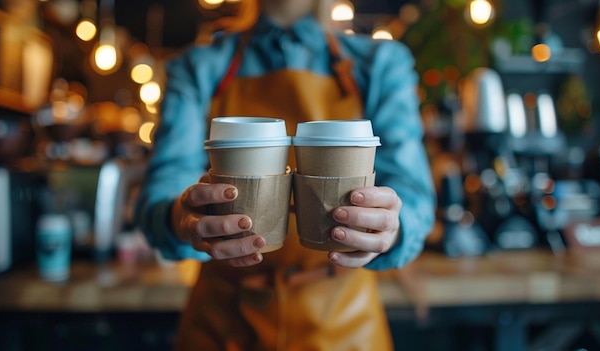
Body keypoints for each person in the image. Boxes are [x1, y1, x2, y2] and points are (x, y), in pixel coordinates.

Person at [135, 0, 436, 349]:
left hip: (344, 324)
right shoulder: (198, 66)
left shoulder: (381, 64)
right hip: (221, 324)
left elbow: (412, 194)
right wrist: (179, 216)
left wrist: (393, 228)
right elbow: (164, 186)